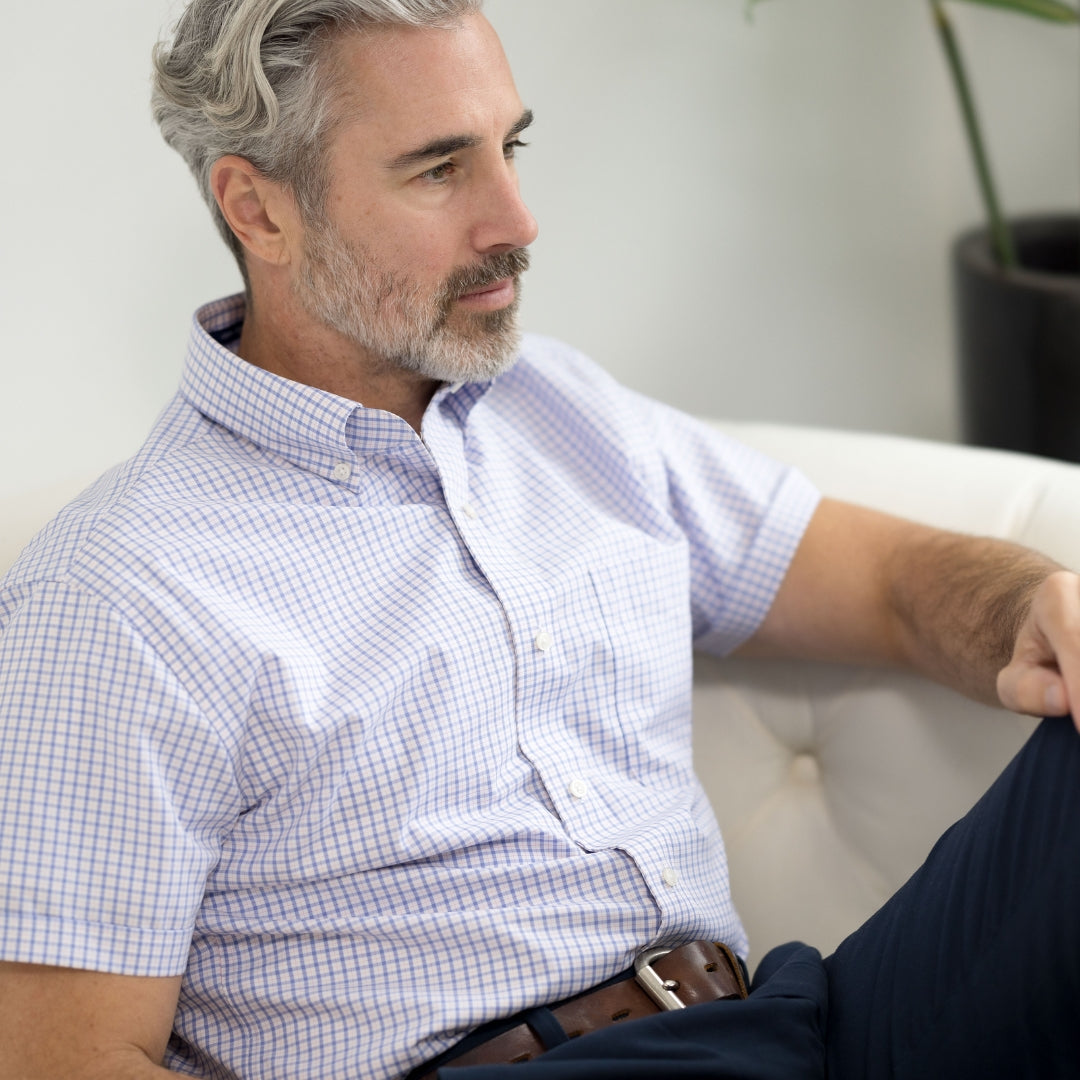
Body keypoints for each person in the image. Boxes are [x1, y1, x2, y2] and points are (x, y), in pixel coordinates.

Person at [1, 1, 1078, 1077]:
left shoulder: (558, 408)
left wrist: (1033, 607)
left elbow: (887, 582)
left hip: (797, 1027)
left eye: (508, 147)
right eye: (439, 170)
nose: (515, 219)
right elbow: (67, 1063)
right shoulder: (116, 593)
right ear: (259, 209)